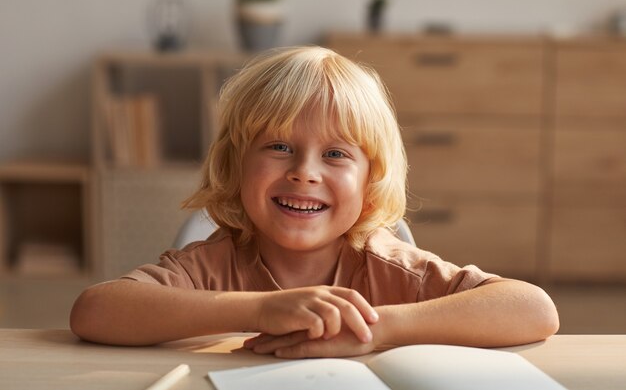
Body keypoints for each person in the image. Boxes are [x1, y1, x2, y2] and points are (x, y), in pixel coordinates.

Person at [70, 46, 559, 358]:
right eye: (279, 146)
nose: (305, 171)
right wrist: (261, 311)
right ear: (235, 164)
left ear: (371, 182)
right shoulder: (211, 265)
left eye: (335, 154)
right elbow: (95, 311)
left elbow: (532, 309)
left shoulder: (392, 268)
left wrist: (376, 329)